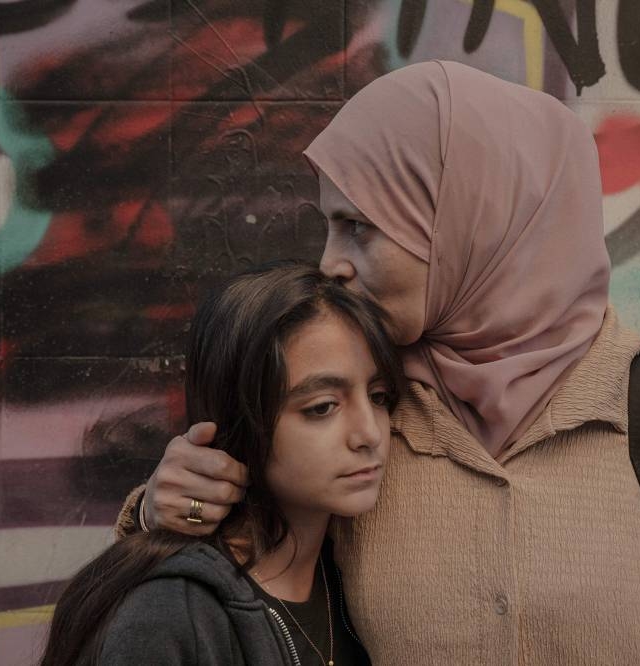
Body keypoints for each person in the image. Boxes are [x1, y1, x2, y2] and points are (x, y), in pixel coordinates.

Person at [115, 61, 640, 664]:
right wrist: (161, 507)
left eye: (358, 227)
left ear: (472, 222)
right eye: (329, 226)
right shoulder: (367, 416)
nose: (331, 262)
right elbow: (241, 579)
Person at [42, 261, 402, 665]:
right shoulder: (173, 612)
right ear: (240, 419)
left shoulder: (353, 584)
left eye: (378, 397)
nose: (369, 434)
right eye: (322, 407)